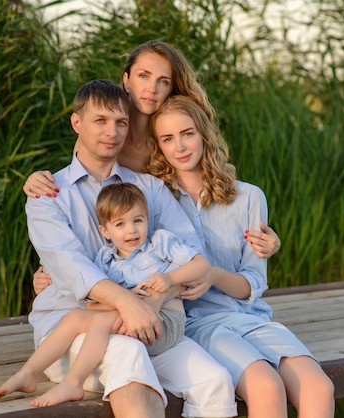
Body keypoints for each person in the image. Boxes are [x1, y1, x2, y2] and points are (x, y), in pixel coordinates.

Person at [20, 79, 237, 418]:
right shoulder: (48, 194)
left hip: (151, 319)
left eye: (121, 122)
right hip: (75, 332)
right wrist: (127, 303)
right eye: (101, 121)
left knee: (216, 381)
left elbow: (194, 253)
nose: (113, 131)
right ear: (77, 123)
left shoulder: (148, 188)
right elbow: (70, 265)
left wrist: (154, 299)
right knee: (128, 355)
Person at [146, 95, 335, 418]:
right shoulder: (154, 200)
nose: (180, 146)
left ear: (204, 133)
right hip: (197, 323)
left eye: (187, 133)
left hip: (251, 317)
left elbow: (254, 283)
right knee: (266, 386)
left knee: (319, 387)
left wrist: (213, 276)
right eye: (168, 138)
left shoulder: (248, 197)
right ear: (159, 146)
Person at [22, 40, 280, 260]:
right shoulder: (107, 135)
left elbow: (205, 188)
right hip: (119, 249)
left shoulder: (172, 135)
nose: (151, 89)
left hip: (174, 244)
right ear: (126, 79)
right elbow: (81, 193)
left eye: (163, 81)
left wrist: (268, 243)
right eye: (143, 76)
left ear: (171, 88)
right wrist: (36, 181)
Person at [0, 182, 207, 407]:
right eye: (120, 224)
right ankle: (28, 373)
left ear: (147, 220)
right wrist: (126, 298)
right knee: (75, 317)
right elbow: (93, 304)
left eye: (138, 220)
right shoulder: (107, 260)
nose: (131, 230)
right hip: (129, 319)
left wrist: (170, 279)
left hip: (164, 322)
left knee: (100, 322)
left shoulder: (159, 243)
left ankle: (73, 383)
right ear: (105, 231)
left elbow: (201, 265)